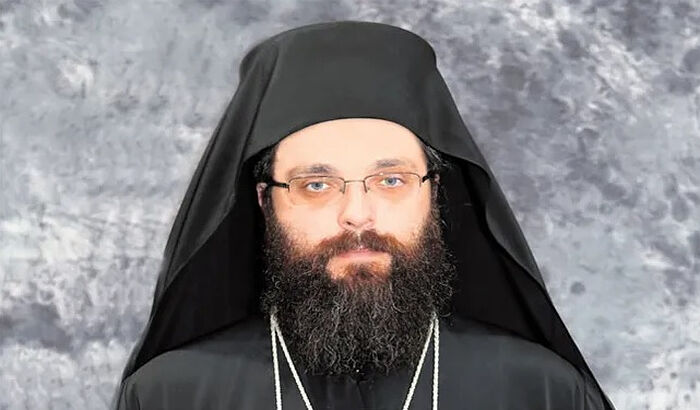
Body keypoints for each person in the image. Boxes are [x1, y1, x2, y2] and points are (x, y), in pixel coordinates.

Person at [110, 20, 617, 409]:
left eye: (391, 180)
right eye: (316, 185)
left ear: (434, 193)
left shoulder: (542, 392)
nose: (357, 215)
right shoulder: (169, 396)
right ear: (265, 201)